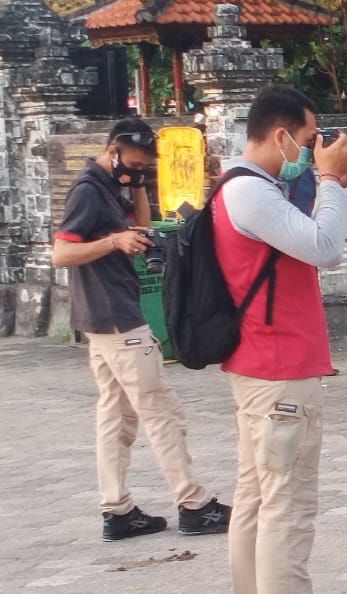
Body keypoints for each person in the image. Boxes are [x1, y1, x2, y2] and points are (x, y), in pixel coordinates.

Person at [212, 85, 347, 593]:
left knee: (259, 498)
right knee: (288, 506)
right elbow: (324, 247)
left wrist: (333, 186)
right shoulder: (251, 191)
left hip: (260, 364)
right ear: (281, 135)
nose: (310, 151)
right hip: (279, 371)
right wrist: (327, 176)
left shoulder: (238, 185)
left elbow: (301, 239)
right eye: (308, 141)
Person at [52, 117, 232, 543]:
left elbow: (143, 224)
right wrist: (114, 242)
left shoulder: (113, 186)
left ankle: (117, 510)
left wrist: (135, 186)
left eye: (143, 169)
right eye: (132, 165)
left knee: (115, 415)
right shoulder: (88, 191)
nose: (136, 173)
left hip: (103, 318)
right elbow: (61, 253)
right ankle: (194, 503)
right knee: (161, 410)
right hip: (118, 320)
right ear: (112, 149)